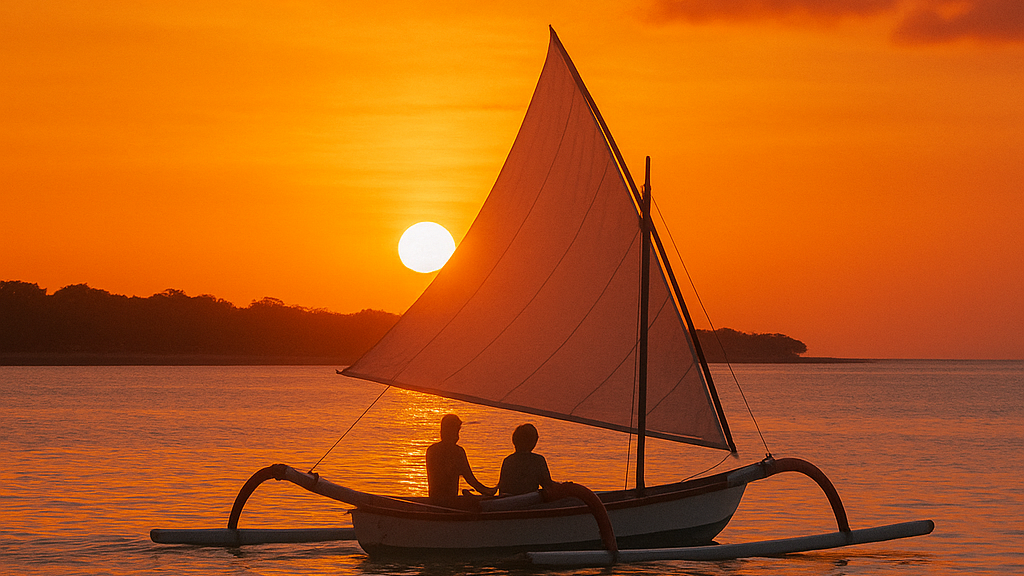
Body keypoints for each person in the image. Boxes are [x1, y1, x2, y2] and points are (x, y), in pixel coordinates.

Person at [425, 414, 496, 507]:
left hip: (434, 501)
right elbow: (470, 479)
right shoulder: (457, 451)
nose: (457, 435)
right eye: (456, 430)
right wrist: (488, 491)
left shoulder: (431, 450)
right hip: (449, 503)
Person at [496, 423, 555, 496]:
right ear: (533, 441)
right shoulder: (537, 460)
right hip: (528, 501)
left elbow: (503, 489)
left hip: (508, 501)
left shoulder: (508, 460)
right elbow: (548, 485)